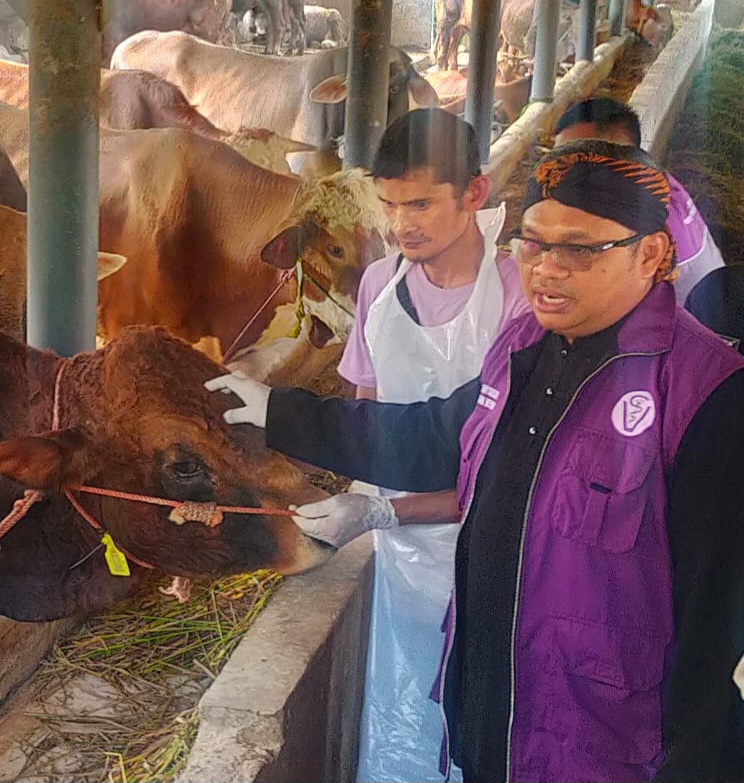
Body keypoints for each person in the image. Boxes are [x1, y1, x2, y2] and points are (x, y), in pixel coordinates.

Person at [207, 140, 744, 782]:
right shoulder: (522, 348)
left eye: (579, 247)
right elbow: (435, 437)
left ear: (650, 253)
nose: (545, 268)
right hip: (496, 721)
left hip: (610, 748)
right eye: (533, 243)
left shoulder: (707, 395)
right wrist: (281, 413)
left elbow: (719, 622)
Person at [334, 108, 530, 783]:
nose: (401, 223)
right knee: (400, 728)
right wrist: (360, 499)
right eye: (390, 204)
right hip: (395, 565)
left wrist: (389, 510)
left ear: (474, 193)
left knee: (476, 732)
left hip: (489, 561)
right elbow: (366, 417)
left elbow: (511, 469)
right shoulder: (378, 287)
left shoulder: (518, 298)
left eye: (420, 202)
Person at [555, 97, 726, 304]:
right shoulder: (644, 178)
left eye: (574, 164)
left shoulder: (638, 226)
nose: (558, 175)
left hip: (692, 323)